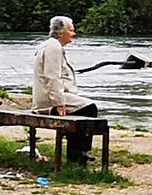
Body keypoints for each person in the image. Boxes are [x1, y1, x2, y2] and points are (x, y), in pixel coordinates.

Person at [31, 15, 102, 161]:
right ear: (60, 32)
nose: (73, 33)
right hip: (48, 100)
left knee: (81, 109)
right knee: (90, 108)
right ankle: (80, 151)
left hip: (47, 96)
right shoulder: (54, 48)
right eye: (71, 30)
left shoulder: (50, 45)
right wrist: (59, 102)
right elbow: (52, 77)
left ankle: (76, 152)